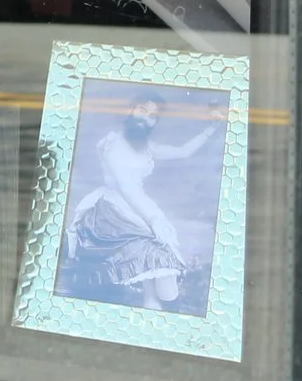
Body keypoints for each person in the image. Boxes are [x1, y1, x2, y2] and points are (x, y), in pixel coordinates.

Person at [62, 94, 218, 309]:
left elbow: (184, 152)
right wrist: (154, 219)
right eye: (142, 110)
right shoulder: (113, 145)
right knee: (159, 261)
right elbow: (126, 187)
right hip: (111, 212)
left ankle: (158, 310)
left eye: (153, 116)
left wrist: (212, 128)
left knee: (158, 283)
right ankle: (165, 310)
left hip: (140, 207)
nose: (146, 118)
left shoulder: (147, 148)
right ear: (130, 110)